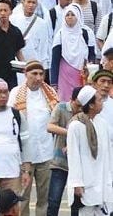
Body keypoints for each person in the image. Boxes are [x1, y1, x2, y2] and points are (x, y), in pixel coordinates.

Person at [7, 60, 58, 216]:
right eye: (34, 74)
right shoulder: (16, 93)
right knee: (22, 199)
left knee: (44, 198)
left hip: (46, 153)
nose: (38, 77)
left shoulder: (50, 94)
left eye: (41, 74)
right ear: (25, 74)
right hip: (24, 157)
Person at [66, 85, 113, 215]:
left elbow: (107, 153)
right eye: (98, 100)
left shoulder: (102, 123)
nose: (102, 102)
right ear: (91, 105)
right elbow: (73, 156)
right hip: (86, 183)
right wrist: (77, 184)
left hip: (103, 180)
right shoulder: (76, 126)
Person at [45, 86, 81, 216]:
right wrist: (71, 133)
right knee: (54, 201)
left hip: (78, 164)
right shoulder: (61, 108)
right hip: (60, 162)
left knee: (76, 204)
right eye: (78, 105)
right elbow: (50, 126)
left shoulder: (86, 111)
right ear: (72, 99)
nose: (80, 108)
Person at [51, 5, 95, 100]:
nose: (70, 17)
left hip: (82, 73)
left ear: (78, 16)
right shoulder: (60, 34)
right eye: (67, 15)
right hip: (65, 75)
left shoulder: (86, 33)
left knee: (82, 100)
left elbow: (92, 54)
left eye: (73, 15)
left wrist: (91, 67)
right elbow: (54, 60)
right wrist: (54, 83)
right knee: (66, 102)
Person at [9, 0, 51, 77]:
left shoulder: (42, 24)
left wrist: (43, 70)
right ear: (23, 2)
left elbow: (43, 49)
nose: (31, 5)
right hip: (16, 66)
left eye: (33, 2)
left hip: (34, 67)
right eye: (28, 2)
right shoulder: (12, 20)